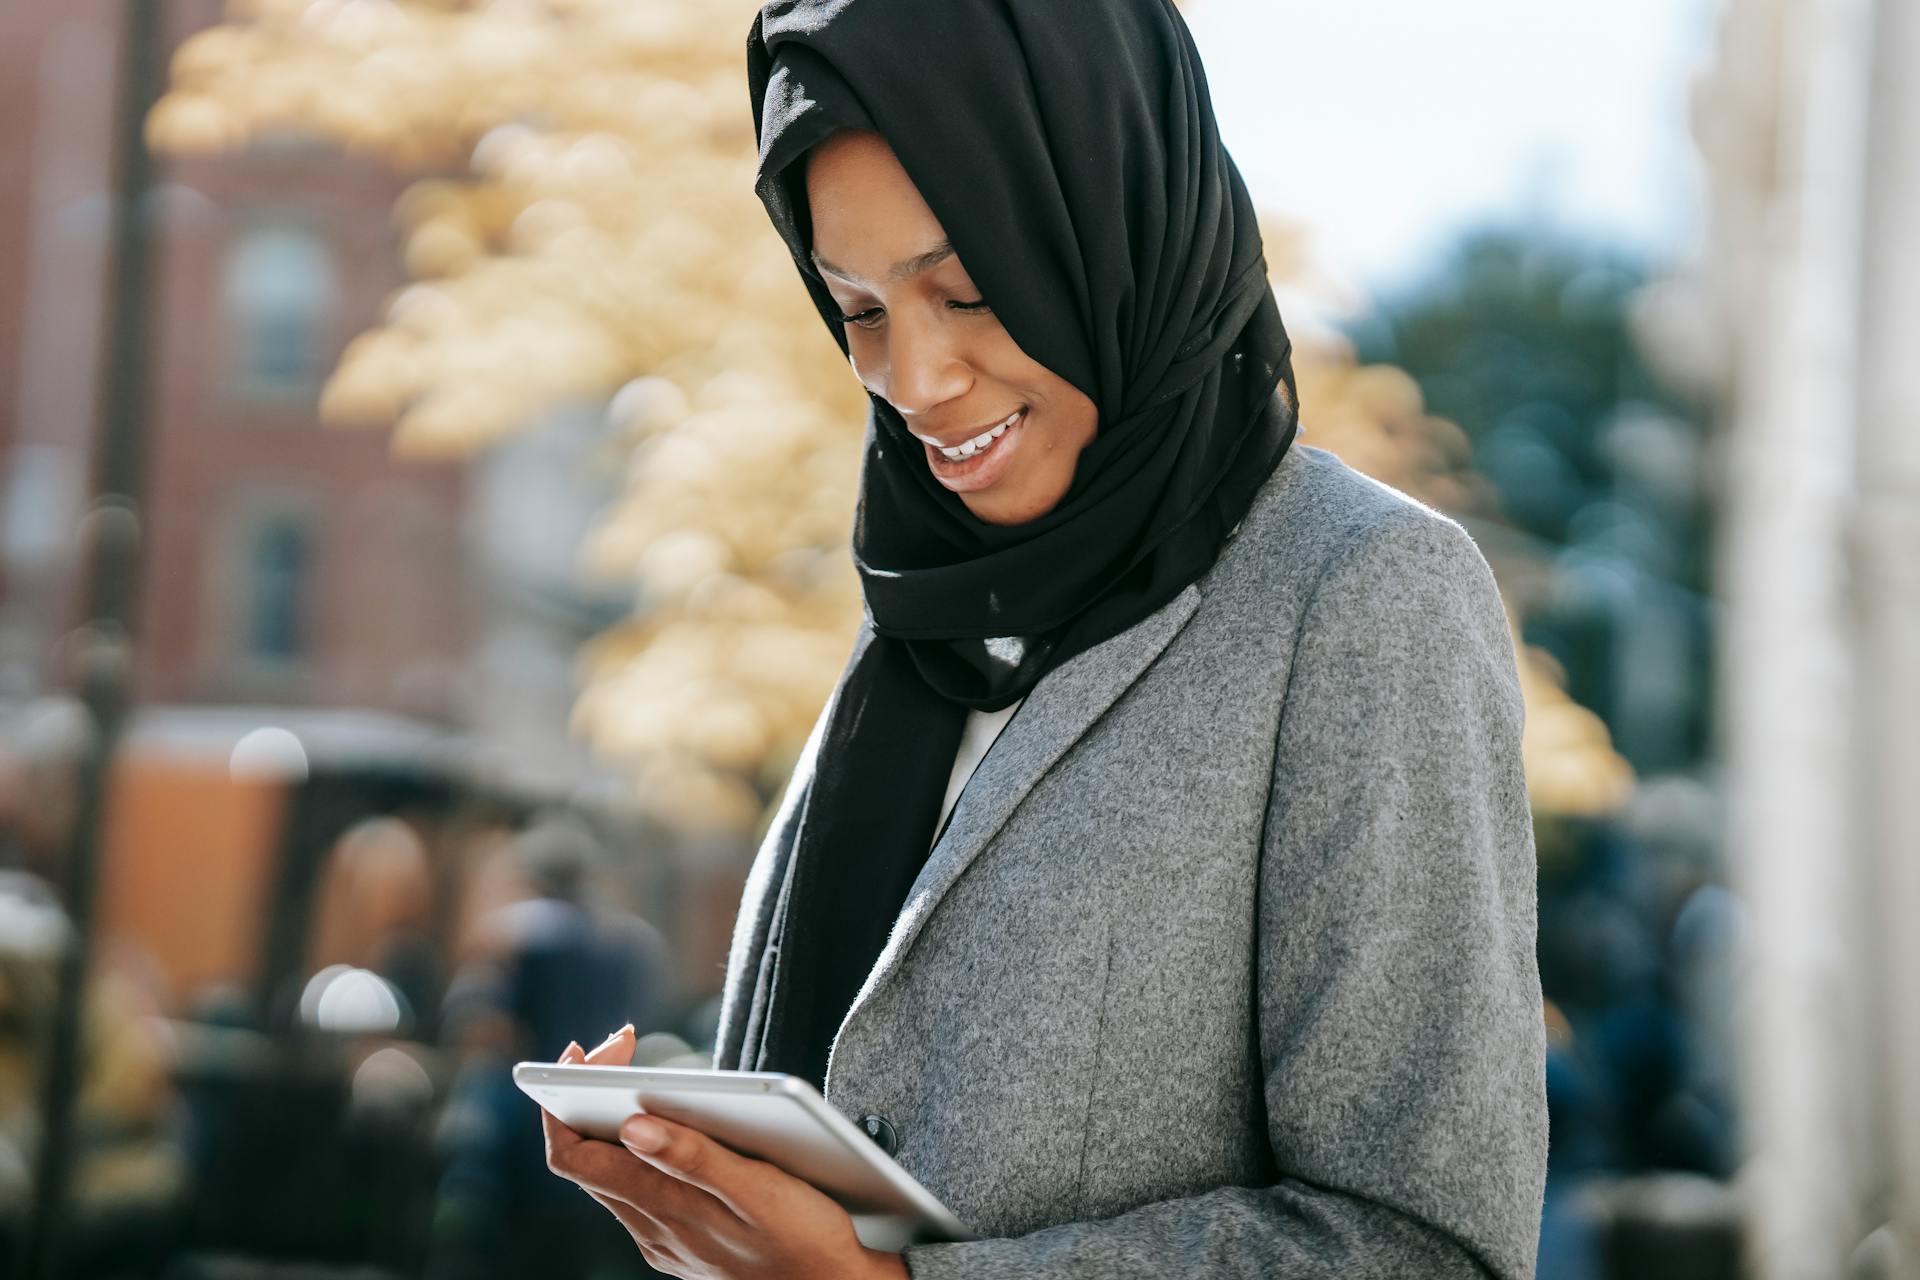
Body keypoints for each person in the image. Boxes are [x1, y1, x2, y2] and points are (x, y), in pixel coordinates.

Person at [538, 1, 1548, 1277]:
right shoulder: (919, 617)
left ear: (1113, 228)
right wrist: (696, 1197)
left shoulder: (1360, 594)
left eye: (965, 289)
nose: (915, 379)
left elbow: (1422, 1243)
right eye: (855, 309)